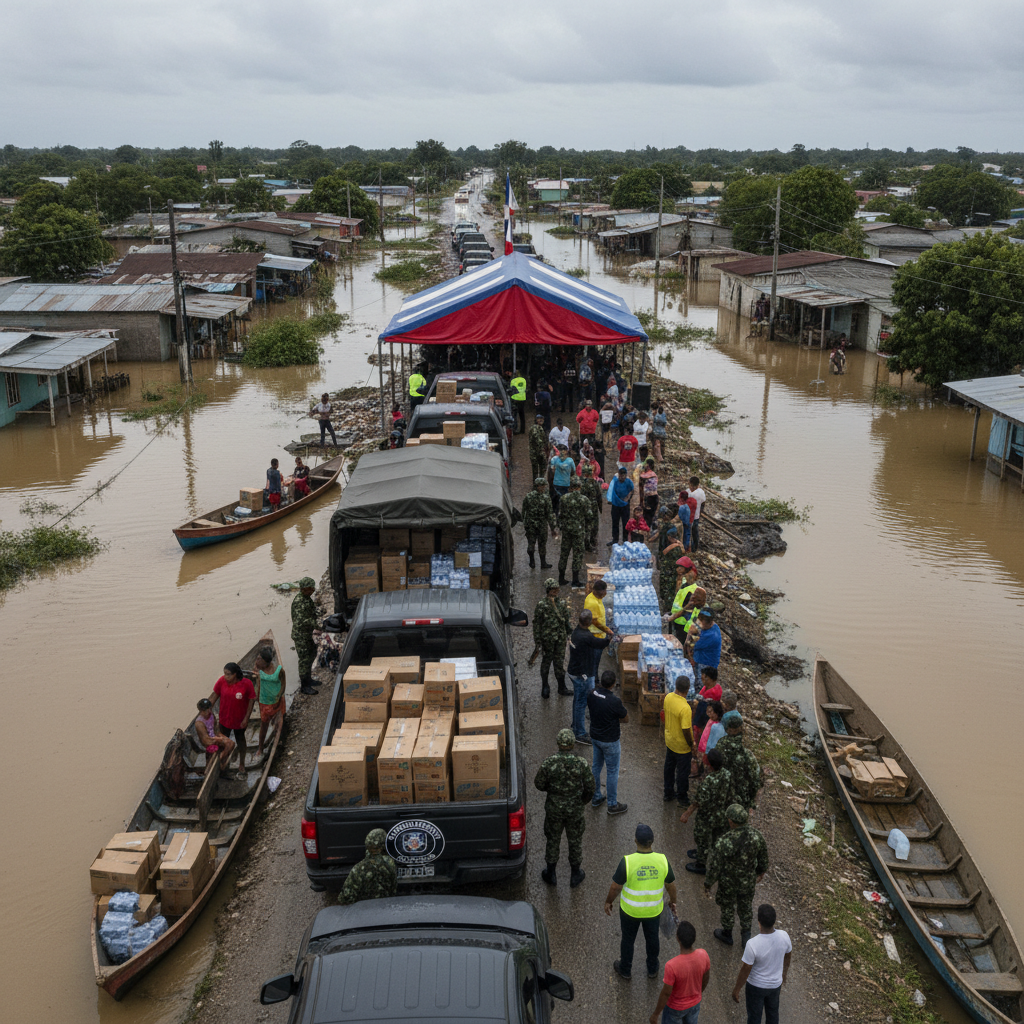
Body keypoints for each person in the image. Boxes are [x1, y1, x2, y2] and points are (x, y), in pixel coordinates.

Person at [605, 823, 677, 981]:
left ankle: (625, 969)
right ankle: (652, 969)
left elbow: (615, 887)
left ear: (635, 840)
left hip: (630, 911)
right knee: (652, 939)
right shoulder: (662, 860)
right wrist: (673, 902)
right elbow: (671, 885)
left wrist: (608, 902)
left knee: (628, 940)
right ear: (652, 842)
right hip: (653, 911)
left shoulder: (627, 861)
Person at [535, 728, 595, 887]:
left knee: (553, 839)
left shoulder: (549, 762)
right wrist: (582, 801)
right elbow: (590, 787)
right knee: (575, 840)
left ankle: (551, 873)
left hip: (554, 809)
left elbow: (539, 784)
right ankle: (575, 874)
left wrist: (552, 790)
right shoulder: (581, 763)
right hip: (575, 810)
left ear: (558, 743)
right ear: (573, 744)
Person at [704, 804, 769, 946]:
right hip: (747, 882)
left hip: (728, 883)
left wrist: (708, 884)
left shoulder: (724, 841)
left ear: (731, 821)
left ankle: (727, 934)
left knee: (727, 906)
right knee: (745, 907)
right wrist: (760, 872)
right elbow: (763, 859)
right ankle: (746, 938)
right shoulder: (756, 836)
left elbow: (715, 867)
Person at [733, 904, 792, 1024]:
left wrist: (737, 989)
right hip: (775, 985)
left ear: (759, 922)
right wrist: (783, 974)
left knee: (754, 1017)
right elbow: (788, 955)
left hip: (756, 987)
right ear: (774, 921)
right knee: (772, 1015)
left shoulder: (752, 944)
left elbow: (746, 969)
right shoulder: (784, 936)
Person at [679, 747, 733, 873]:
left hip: (708, 815)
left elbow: (698, 800)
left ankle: (701, 863)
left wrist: (687, 813)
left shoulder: (709, 781)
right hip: (722, 813)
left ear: (710, 764)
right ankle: (710, 855)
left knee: (702, 837)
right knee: (716, 836)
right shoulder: (727, 774)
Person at [648, 919, 710, 1024]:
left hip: (675, 1008)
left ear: (678, 939)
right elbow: (706, 978)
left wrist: (655, 1014)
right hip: (695, 1004)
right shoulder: (703, 955)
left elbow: (666, 993)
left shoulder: (672, 966)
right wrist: (698, 993)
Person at [567, 609, 611, 743]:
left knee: (577, 700)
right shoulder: (586, 637)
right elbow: (600, 644)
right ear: (589, 622)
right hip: (582, 675)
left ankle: (576, 724)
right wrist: (609, 637)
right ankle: (579, 733)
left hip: (574, 671)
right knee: (581, 703)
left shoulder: (577, 632)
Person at [589, 669, 628, 814]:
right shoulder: (614, 701)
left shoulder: (592, 694)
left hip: (595, 737)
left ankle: (596, 796)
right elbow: (626, 718)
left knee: (596, 767)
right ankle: (612, 804)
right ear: (612, 684)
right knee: (612, 771)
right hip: (610, 740)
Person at [213, 662, 256, 779]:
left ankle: (242, 764)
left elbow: (252, 700)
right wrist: (206, 711)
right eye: (225, 674)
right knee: (222, 743)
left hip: (239, 721)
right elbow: (214, 697)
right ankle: (223, 763)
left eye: (228, 674)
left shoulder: (246, 684)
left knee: (241, 741)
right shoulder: (222, 681)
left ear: (235, 674)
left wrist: (246, 718)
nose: (225, 677)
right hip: (224, 719)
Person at [716, 712, 765, 813]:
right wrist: (751, 802)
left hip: (721, 796)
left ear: (728, 729)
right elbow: (756, 781)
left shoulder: (720, 745)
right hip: (740, 801)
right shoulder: (747, 754)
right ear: (740, 728)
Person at [531, 579, 571, 698]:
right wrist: (537, 641)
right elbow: (536, 624)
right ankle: (545, 686)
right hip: (547, 639)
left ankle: (562, 687)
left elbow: (566, 621)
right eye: (553, 589)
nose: (555, 591)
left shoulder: (562, 604)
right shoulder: (542, 605)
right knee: (546, 662)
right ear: (548, 590)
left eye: (557, 589)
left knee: (559, 663)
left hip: (560, 638)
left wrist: (570, 633)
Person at [339, 828, 398, 905]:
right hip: (384, 909)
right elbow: (393, 890)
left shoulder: (359, 868)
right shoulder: (390, 863)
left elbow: (345, 898)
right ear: (384, 845)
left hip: (364, 911)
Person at [557, 476, 593, 589]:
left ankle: (561, 578)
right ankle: (575, 580)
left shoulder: (563, 498)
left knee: (564, 554)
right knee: (577, 555)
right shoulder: (584, 499)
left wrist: (561, 526)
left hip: (567, 531)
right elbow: (590, 516)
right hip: (578, 531)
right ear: (580, 487)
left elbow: (560, 515)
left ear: (570, 487)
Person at [663, 678, 694, 806]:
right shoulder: (685, 708)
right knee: (682, 772)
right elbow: (686, 729)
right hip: (682, 746)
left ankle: (668, 793)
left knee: (669, 768)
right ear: (687, 689)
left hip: (670, 740)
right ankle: (682, 797)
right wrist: (691, 744)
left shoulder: (668, 697)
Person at [254, 645, 285, 760]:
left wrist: (279, 695)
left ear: (266, 662)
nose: (256, 661)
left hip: (276, 702)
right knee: (264, 725)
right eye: (256, 658)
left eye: (259, 659)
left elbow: (283, 684)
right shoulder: (259, 669)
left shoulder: (277, 670)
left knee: (278, 722)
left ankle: (278, 739)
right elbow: (259, 686)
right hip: (264, 703)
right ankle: (260, 748)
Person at [291, 576, 320, 695]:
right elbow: (300, 621)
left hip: (307, 634)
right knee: (304, 660)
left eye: (313, 588)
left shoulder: (307, 599)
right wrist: (317, 625)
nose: (313, 590)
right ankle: (304, 686)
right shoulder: (299, 602)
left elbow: (312, 612)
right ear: (304, 589)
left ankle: (309, 679)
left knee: (312, 653)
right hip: (300, 636)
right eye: (310, 589)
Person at [522, 477, 556, 570]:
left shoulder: (528, 496)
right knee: (542, 544)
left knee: (531, 543)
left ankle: (532, 561)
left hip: (530, 524)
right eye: (543, 486)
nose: (544, 488)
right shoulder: (545, 498)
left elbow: (523, 510)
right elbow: (549, 514)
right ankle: (543, 563)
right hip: (541, 525)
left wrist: (525, 523)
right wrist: (552, 528)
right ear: (539, 486)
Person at [194, 697, 235, 773]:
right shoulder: (199, 723)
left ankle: (220, 760)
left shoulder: (211, 714)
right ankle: (219, 764)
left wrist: (220, 736)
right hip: (210, 741)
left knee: (232, 743)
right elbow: (205, 740)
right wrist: (217, 739)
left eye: (209, 709)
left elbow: (216, 729)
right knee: (229, 744)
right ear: (201, 711)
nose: (208, 711)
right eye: (206, 710)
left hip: (215, 736)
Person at [584, 579, 613, 678]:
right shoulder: (592, 602)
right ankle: (594, 680)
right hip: (595, 636)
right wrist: (608, 630)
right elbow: (594, 621)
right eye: (604, 591)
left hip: (599, 634)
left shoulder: (596, 598)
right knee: (594, 661)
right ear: (598, 591)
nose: (605, 593)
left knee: (596, 660)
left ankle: (594, 677)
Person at [665, 558, 699, 644]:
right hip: (678, 620)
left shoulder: (691, 591)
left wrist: (671, 617)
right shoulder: (685, 585)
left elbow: (685, 610)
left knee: (681, 643)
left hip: (683, 623)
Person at [690, 608, 722, 689]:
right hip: (700, 658)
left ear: (709, 623)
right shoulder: (711, 626)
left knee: (702, 686)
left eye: (701, 623)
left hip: (706, 664)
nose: (698, 624)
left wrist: (691, 633)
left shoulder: (711, 635)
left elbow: (693, 645)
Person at [580, 463, 603, 551]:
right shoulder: (594, 482)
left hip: (583, 507)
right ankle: (591, 542)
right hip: (592, 507)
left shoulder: (579, 482)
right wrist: (600, 508)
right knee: (593, 526)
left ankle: (585, 542)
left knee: (584, 525)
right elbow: (599, 496)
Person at [608, 467, 634, 545]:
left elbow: (632, 490)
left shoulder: (628, 482)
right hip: (616, 505)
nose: (621, 477)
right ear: (618, 474)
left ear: (626, 475)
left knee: (625, 523)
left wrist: (628, 498)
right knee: (615, 523)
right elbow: (610, 491)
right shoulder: (615, 482)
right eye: (620, 475)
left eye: (623, 475)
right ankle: (615, 539)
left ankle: (625, 540)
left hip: (625, 506)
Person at [549, 444, 576, 514]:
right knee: (557, 503)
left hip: (565, 484)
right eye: (560, 452)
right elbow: (551, 472)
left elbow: (574, 472)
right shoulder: (554, 459)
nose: (562, 454)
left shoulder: (570, 461)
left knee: (564, 503)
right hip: (557, 484)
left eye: (563, 452)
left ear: (566, 451)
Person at [639, 458, 659, 529]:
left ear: (648, 465)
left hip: (648, 499)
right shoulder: (655, 475)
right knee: (651, 517)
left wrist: (641, 502)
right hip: (655, 497)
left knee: (646, 518)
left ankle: (646, 535)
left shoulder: (643, 476)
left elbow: (641, 490)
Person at [688, 476, 706, 553]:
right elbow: (703, 503)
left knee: (690, 532)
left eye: (690, 485)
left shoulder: (689, 493)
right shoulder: (701, 492)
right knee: (695, 532)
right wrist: (700, 512)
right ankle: (695, 548)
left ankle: (691, 548)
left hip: (690, 516)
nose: (690, 486)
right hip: (696, 516)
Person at [528, 414, 549, 482]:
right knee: (536, 470)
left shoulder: (541, 428)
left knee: (542, 468)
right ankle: (537, 484)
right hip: (535, 452)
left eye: (542, 419)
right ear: (536, 420)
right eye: (539, 419)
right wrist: (543, 448)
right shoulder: (535, 428)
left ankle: (540, 482)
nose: (541, 420)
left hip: (539, 452)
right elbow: (536, 438)